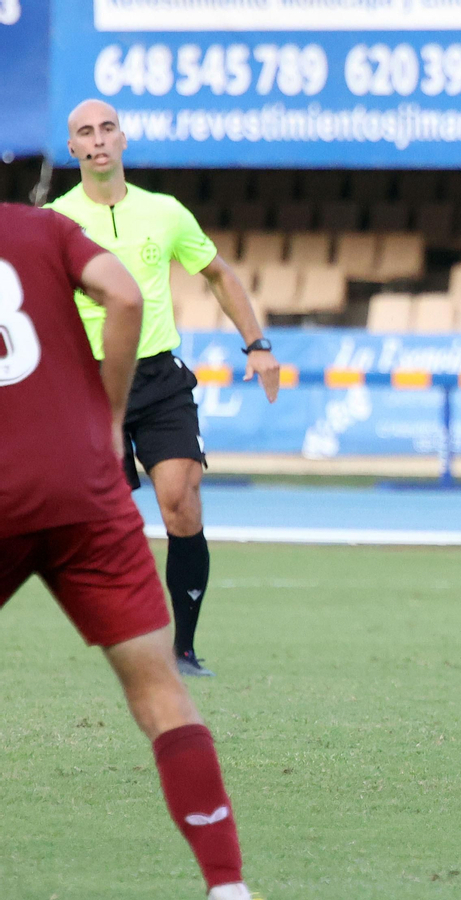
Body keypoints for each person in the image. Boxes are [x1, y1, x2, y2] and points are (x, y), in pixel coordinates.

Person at [0, 203, 252, 899]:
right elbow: (122, 291)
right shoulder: (42, 227)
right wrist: (106, 417)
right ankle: (226, 887)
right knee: (158, 691)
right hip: (81, 483)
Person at [47, 99, 281, 678]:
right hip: (88, 383)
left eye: (107, 129)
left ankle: (183, 649)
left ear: (124, 139)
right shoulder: (56, 221)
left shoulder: (165, 212)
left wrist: (257, 344)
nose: (98, 140)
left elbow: (219, 275)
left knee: (181, 502)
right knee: (98, 522)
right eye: (85, 133)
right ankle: (121, 637)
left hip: (157, 376)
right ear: (72, 149)